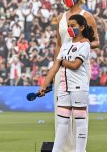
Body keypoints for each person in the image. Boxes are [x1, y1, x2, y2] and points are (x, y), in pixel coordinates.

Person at [39, 14, 95, 152]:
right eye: (69, 26)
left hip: (78, 88)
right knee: (62, 121)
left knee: (80, 121)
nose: (70, 28)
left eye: (73, 26)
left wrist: (61, 61)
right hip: (63, 87)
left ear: (82, 27)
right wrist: (44, 85)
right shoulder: (66, 44)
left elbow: (75, 65)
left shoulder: (85, 44)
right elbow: (54, 67)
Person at [54, 0, 99, 151]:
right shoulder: (60, 18)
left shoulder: (86, 16)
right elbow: (58, 45)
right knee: (62, 113)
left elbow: (96, 41)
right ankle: (64, 148)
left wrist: (84, 43)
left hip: (79, 66)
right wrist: (55, 66)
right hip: (62, 66)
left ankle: (79, 149)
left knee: (79, 113)